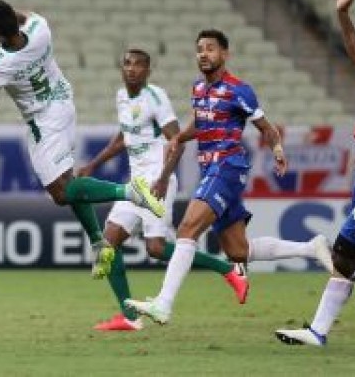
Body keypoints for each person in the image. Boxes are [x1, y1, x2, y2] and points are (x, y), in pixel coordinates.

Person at [0, 0, 165, 278]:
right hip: (64, 103)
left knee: (62, 193)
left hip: (43, 122)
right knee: (70, 183)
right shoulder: (41, 28)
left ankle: (131, 192)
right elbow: (24, 15)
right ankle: (99, 243)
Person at [124, 28, 333, 325]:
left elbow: (266, 127)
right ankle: (311, 247)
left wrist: (277, 148)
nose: (203, 54)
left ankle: (164, 303)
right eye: (199, 49)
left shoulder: (239, 89)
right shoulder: (199, 89)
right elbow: (201, 121)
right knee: (238, 251)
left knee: (186, 230)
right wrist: (180, 137)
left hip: (228, 166)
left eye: (210, 48)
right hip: (211, 168)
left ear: (224, 54)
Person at [80, 49, 248, 331]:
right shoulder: (121, 96)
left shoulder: (155, 98)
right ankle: (130, 316)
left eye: (138, 65)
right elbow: (124, 136)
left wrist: (162, 178)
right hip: (135, 184)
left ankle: (229, 270)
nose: (131, 69)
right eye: (127, 63)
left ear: (147, 71)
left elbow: (177, 141)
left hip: (157, 181)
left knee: (156, 248)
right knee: (107, 245)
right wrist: (93, 165)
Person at [276, 0, 355, 345]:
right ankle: (317, 332)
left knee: (344, 256)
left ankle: (318, 331)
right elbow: (354, 51)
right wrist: (342, 14)